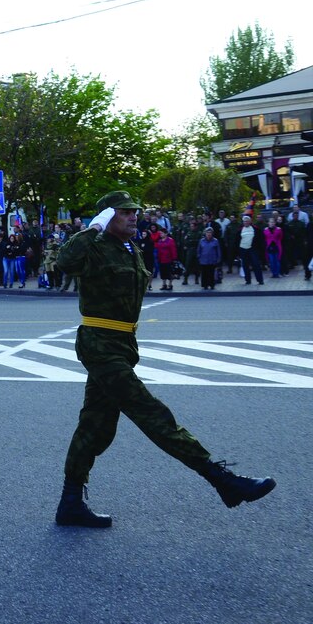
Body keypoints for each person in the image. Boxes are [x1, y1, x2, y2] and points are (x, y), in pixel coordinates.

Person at [53, 191, 275, 528]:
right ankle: (222, 480)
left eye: (134, 211)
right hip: (100, 344)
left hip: (122, 343)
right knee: (151, 412)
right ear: (108, 216)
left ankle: (70, 503)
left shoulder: (131, 247)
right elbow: (65, 262)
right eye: (125, 211)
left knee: (95, 425)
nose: (134, 216)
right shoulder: (94, 246)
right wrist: (92, 228)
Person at [236, 215, 265, 285]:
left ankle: (260, 280)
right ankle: (248, 280)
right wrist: (237, 252)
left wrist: (260, 250)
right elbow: (236, 241)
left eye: (247, 221)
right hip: (243, 249)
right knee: (245, 265)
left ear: (250, 221)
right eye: (244, 221)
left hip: (253, 249)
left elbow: (260, 240)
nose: (245, 222)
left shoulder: (255, 229)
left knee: (256, 264)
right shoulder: (240, 230)